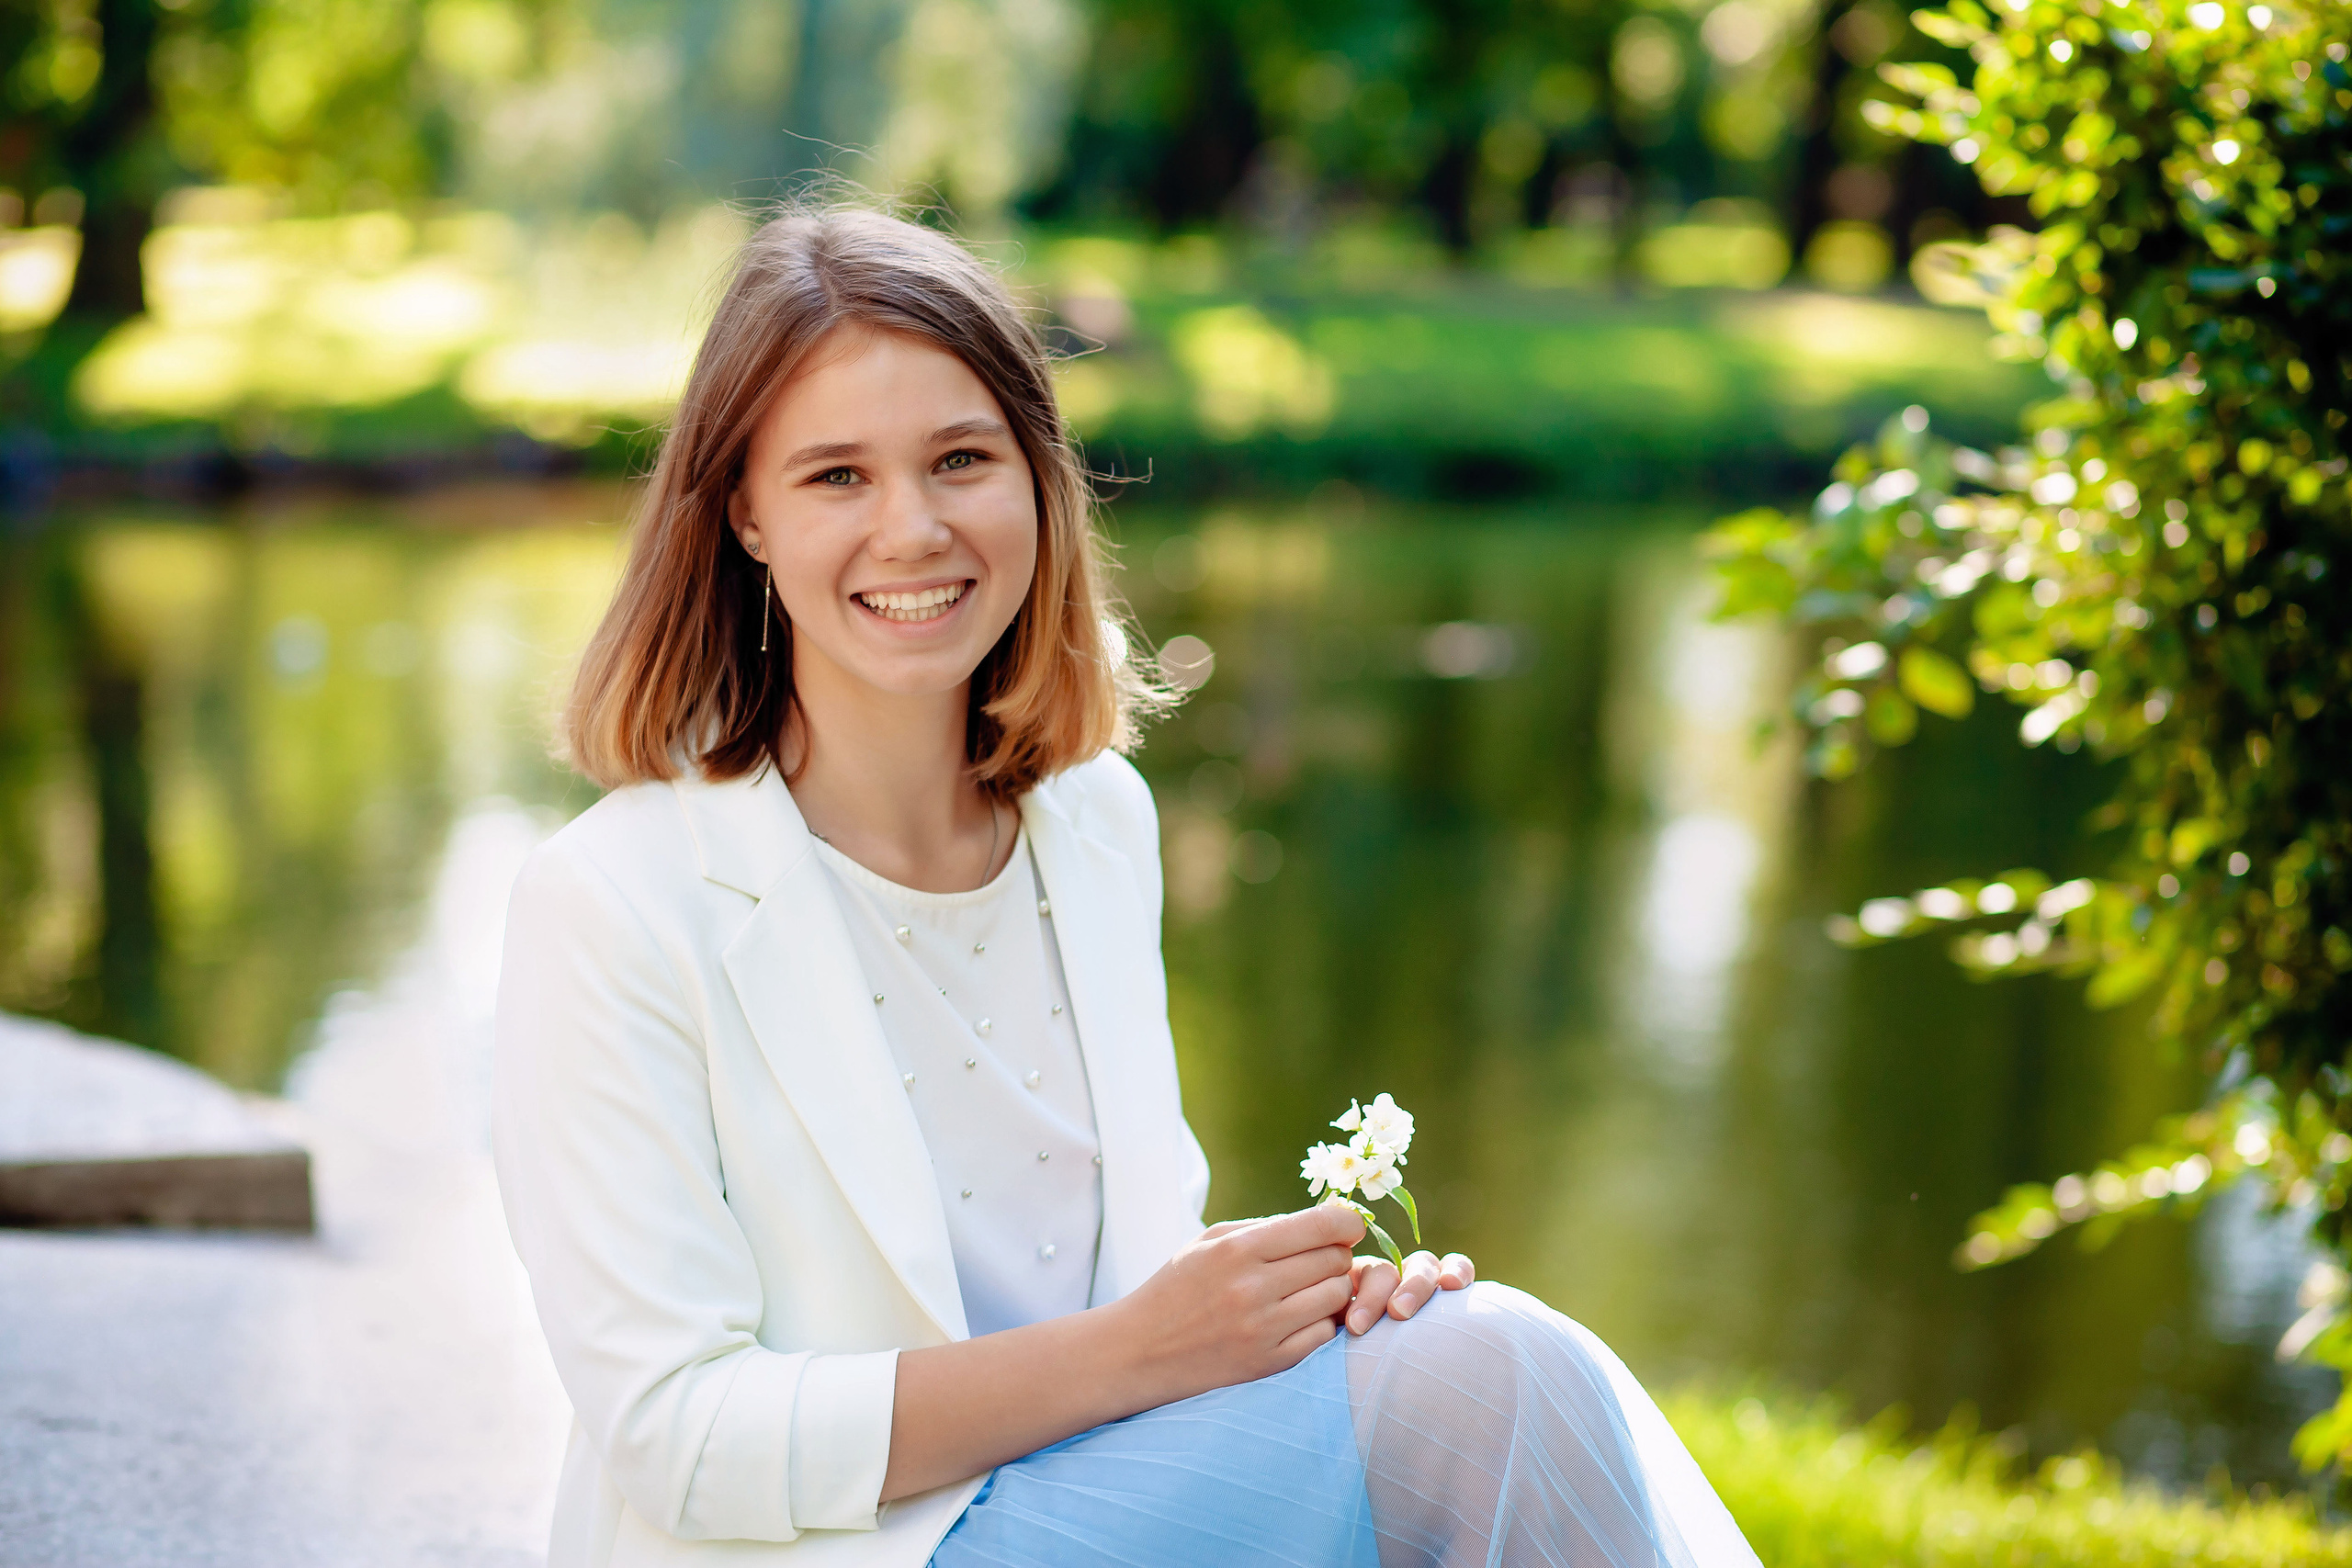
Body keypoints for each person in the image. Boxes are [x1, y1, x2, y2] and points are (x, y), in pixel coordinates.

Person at [492, 199, 1762, 1568]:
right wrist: (1140, 1352)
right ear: (744, 513)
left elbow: (1114, 1280)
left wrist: (1313, 1310)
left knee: (1474, 1363)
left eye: (961, 458)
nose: (912, 528)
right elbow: (682, 1442)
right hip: (832, 1553)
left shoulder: (1095, 823)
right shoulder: (615, 903)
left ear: (1041, 477)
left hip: (1092, 1487)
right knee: (1489, 1388)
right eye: (836, 477)